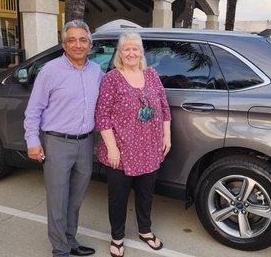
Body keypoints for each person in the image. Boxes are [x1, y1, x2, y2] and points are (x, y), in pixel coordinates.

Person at [24, 20, 103, 257]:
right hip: (57, 142)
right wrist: (32, 141)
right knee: (58, 200)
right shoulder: (50, 71)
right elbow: (33, 109)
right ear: (64, 44)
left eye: (82, 40)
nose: (77, 44)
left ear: (90, 44)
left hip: (86, 142)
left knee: (76, 199)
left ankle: (70, 241)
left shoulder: (97, 72)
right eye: (72, 40)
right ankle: (60, 250)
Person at [95, 32, 171, 257]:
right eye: (126, 49)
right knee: (118, 197)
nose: (131, 52)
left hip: (150, 148)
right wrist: (112, 148)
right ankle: (117, 237)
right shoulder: (112, 78)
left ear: (141, 52)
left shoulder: (152, 74)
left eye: (135, 48)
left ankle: (145, 230)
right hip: (120, 150)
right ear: (120, 53)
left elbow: (164, 108)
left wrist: (167, 137)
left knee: (146, 194)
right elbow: (103, 116)